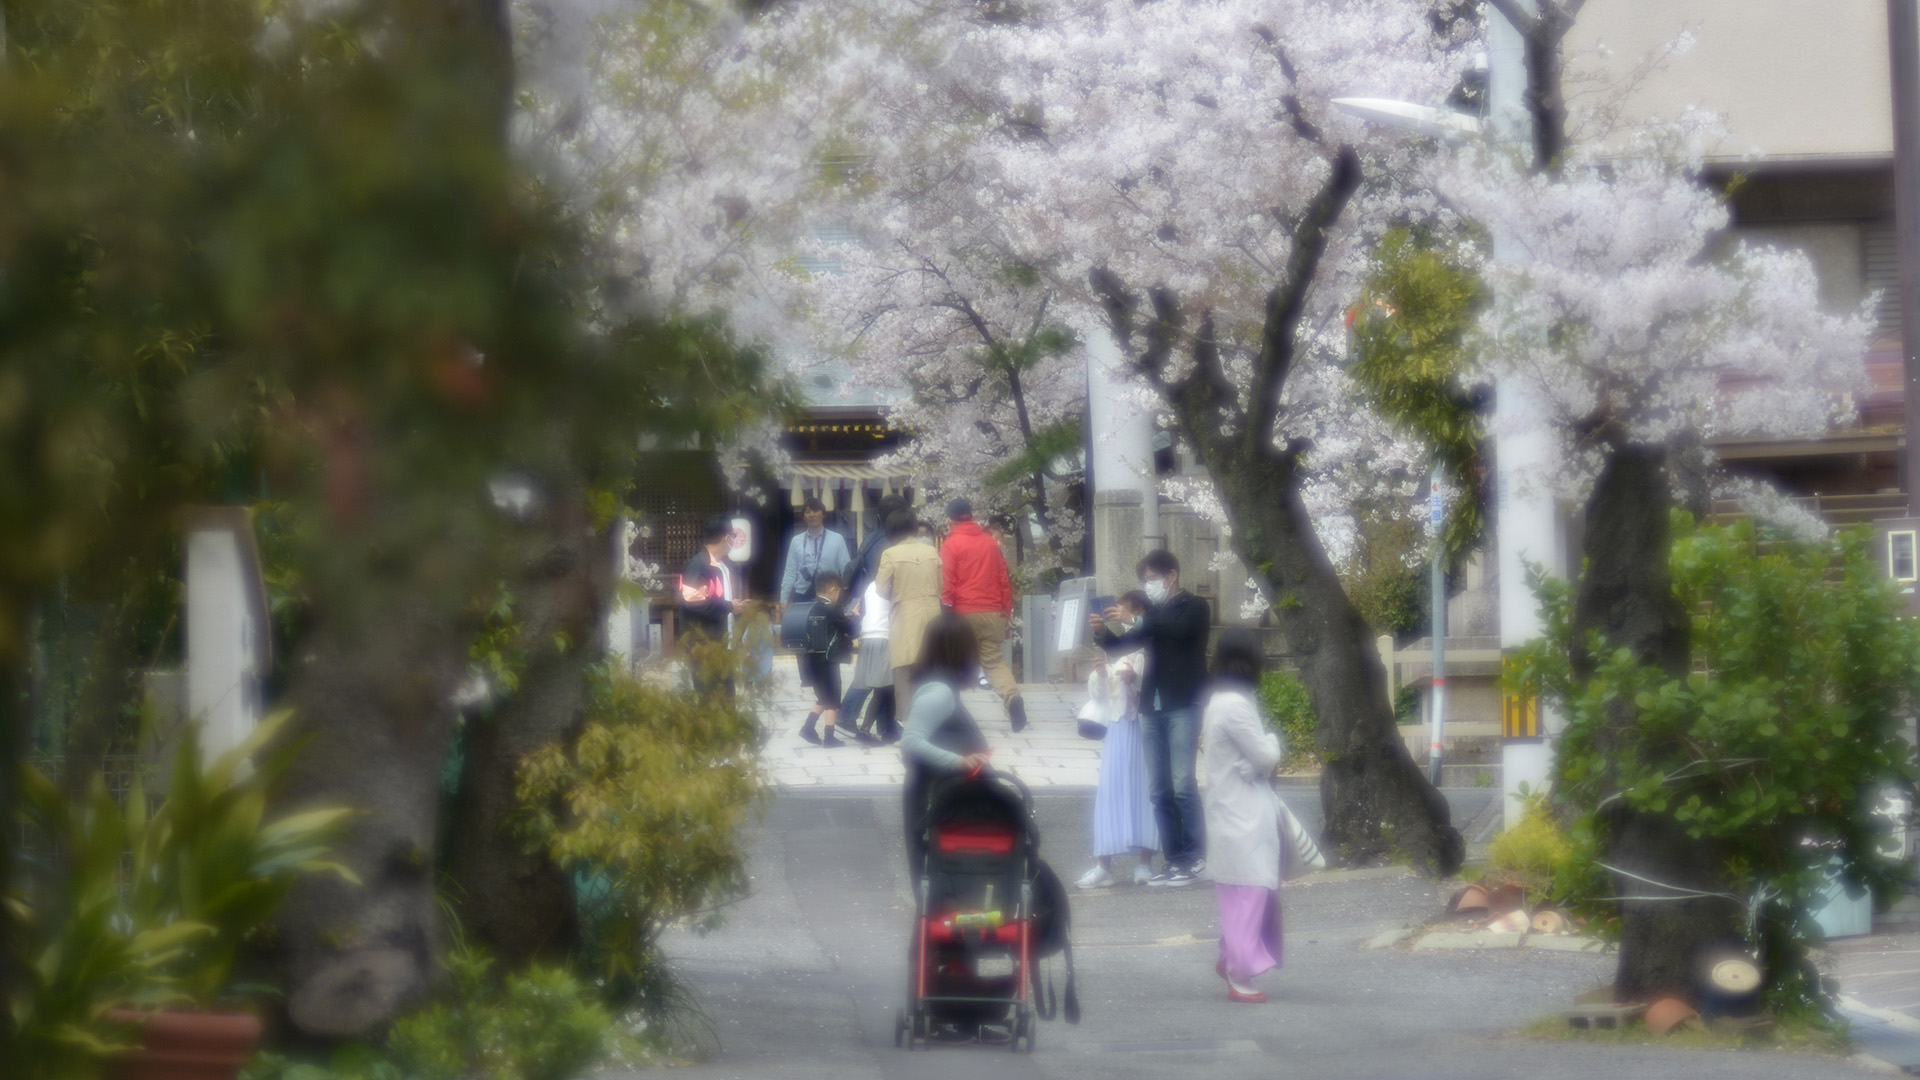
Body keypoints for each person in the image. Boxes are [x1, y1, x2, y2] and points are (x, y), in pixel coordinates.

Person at [1089, 550, 1211, 886]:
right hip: (1150, 707)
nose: (1149, 585)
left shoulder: (1195, 607)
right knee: (1159, 789)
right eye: (1145, 581)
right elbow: (1122, 646)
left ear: (1172, 575)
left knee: (1183, 784)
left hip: (1183, 702)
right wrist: (1102, 632)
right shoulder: (1152, 616)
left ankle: (1197, 857)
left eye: (1153, 579)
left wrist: (1139, 618)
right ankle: (1175, 860)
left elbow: (1180, 631)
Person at [1201, 628, 1283, 1004]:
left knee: (1236, 895)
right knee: (1251, 893)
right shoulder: (1235, 704)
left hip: (1226, 811)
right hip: (1243, 814)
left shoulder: (1219, 700)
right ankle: (1240, 973)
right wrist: (1274, 743)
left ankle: (1229, 956)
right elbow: (1264, 758)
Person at [1074, 590, 1159, 889]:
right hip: (1118, 728)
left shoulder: (1151, 647)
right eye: (1115, 614)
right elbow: (1100, 696)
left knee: (1144, 792)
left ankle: (1145, 864)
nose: (1117, 618)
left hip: (1142, 726)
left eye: (1122, 613)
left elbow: (1151, 688)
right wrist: (1100, 674)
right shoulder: (1119, 650)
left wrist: (1136, 682)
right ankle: (1103, 865)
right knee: (1110, 792)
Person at [898, 613, 992, 871]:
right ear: (961, 650)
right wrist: (960, 761)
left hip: (939, 799)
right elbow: (911, 741)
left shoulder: (941, 687)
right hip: (934, 800)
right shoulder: (939, 692)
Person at [939, 497, 1026, 732]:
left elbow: (947, 582)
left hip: (962, 614)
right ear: (972, 515)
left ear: (949, 520)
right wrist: (1006, 610)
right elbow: (1003, 580)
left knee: (951, 663)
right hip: (992, 611)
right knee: (994, 662)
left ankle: (950, 714)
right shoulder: (989, 542)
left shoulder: (951, 544)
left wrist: (945, 610)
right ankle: (1012, 697)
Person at [837, 494, 908, 735]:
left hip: (868, 608)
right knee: (875, 675)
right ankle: (850, 715)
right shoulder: (890, 545)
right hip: (882, 615)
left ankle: (885, 725)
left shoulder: (871, 539)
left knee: (878, 675)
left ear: (879, 516)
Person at [876, 509, 942, 717]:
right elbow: (943, 585)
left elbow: (880, 588)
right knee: (932, 671)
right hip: (933, 615)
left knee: (904, 672)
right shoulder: (932, 551)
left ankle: (908, 724)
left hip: (904, 616)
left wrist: (896, 594)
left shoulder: (890, 553)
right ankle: (933, 720)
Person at [680, 514, 750, 695]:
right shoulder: (697, 566)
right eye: (733, 536)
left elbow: (719, 603)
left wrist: (736, 608)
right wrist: (729, 606)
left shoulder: (722, 567)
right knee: (709, 701)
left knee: (728, 700)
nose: (734, 541)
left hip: (722, 645)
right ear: (725, 537)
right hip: (703, 647)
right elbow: (693, 602)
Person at [797, 570, 856, 747]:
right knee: (833, 698)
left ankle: (808, 727)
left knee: (823, 696)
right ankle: (829, 737)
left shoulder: (810, 606)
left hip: (811, 661)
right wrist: (856, 616)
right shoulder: (831, 608)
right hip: (828, 661)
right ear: (833, 589)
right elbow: (851, 630)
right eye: (839, 592)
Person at [847, 564, 899, 743]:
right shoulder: (892, 586)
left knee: (884, 687)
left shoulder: (870, 585)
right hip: (882, 637)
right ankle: (867, 729)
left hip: (868, 636)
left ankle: (886, 729)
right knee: (885, 688)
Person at [777, 496, 852, 612]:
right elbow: (789, 573)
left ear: (823, 514)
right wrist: (784, 600)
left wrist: (845, 599)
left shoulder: (837, 539)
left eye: (816, 511)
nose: (812, 515)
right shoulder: (796, 541)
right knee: (802, 629)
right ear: (803, 517)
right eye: (807, 512)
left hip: (829, 595)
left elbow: (846, 571)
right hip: (802, 595)